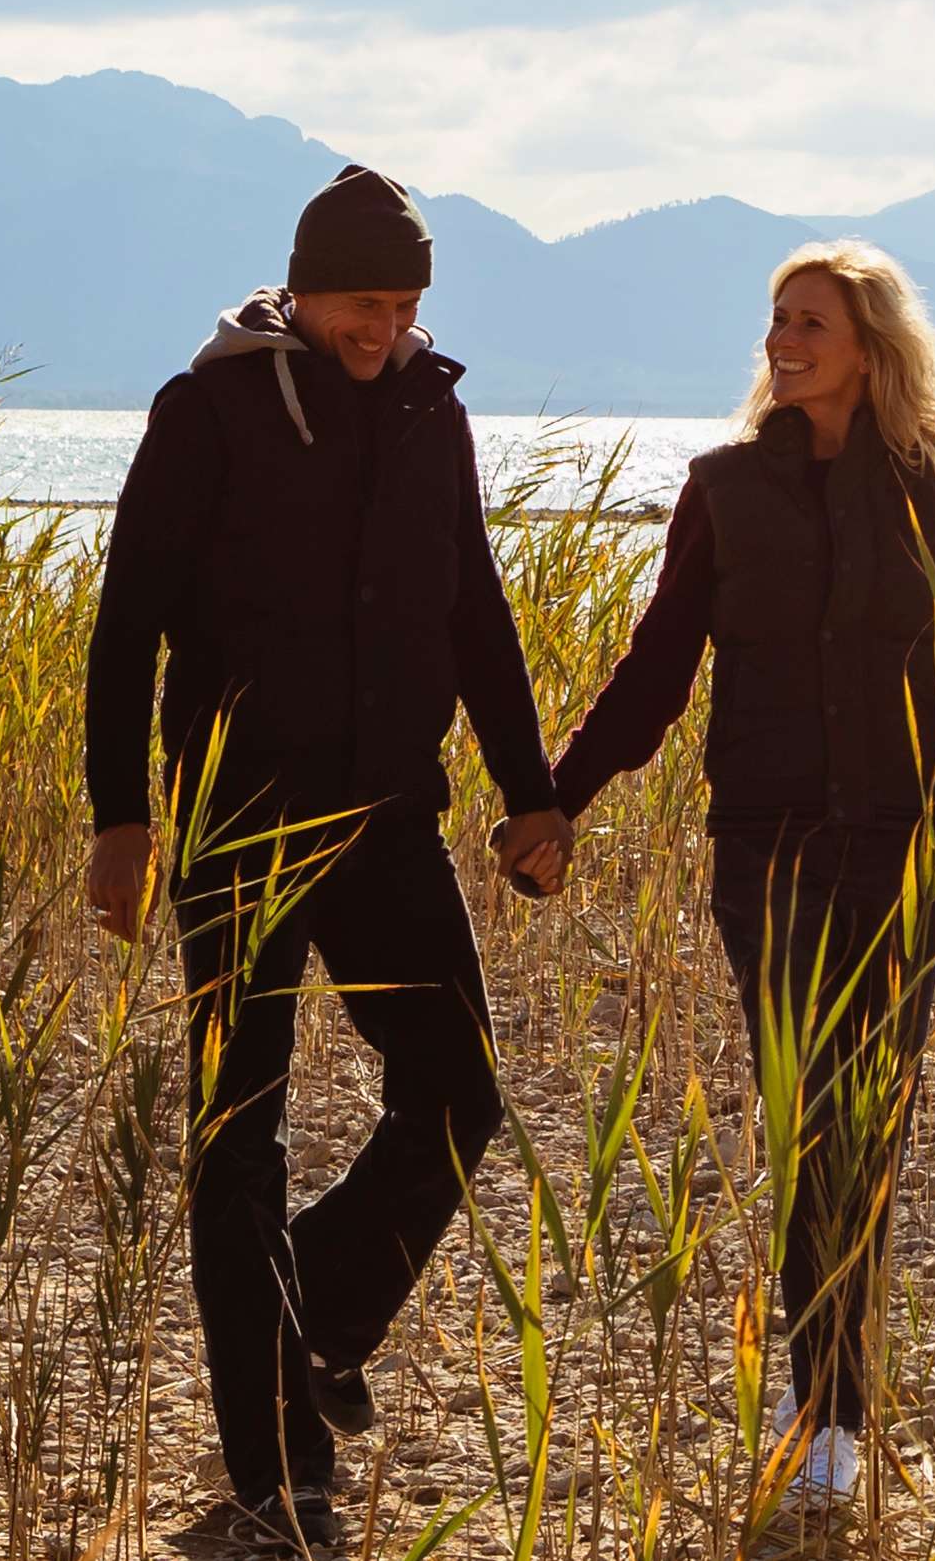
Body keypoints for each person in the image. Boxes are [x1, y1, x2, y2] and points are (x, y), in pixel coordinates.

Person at [80, 164, 578, 1550]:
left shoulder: (433, 413)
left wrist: (530, 791)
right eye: (368, 301)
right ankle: (272, 1458)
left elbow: (476, 608)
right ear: (304, 289)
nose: (387, 326)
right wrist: (120, 810)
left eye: (408, 301)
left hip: (389, 814)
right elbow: (130, 617)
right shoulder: (209, 410)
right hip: (240, 824)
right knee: (239, 1137)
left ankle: (317, 1323)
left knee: (461, 1091)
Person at [539, 240, 935, 1515]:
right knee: (811, 1120)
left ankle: (832, 1407)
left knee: (862, 1127)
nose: (783, 338)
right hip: (765, 855)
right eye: (776, 318)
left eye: (809, 321)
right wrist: (559, 795)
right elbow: (657, 669)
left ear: (867, 348)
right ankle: (822, 1402)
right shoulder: (722, 489)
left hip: (898, 851)